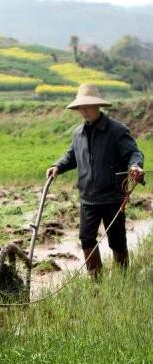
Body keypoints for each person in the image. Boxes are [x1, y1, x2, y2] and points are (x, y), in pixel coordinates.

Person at [46, 83, 144, 277]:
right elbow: (71, 156)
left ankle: (123, 277)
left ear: (98, 106)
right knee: (86, 239)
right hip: (88, 198)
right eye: (80, 108)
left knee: (117, 241)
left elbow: (133, 152)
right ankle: (95, 280)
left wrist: (135, 166)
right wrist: (57, 166)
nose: (84, 111)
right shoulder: (77, 133)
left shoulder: (116, 130)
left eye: (87, 107)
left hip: (112, 197)